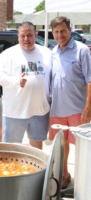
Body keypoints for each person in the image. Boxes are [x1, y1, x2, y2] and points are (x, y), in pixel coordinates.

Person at [0, 21, 51, 149]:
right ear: (18, 37)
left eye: (29, 35)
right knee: (11, 148)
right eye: (22, 36)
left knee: (36, 146)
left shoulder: (47, 53)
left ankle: (35, 170)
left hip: (40, 110)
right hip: (15, 111)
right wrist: (16, 81)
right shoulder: (8, 54)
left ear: (35, 35)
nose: (26, 39)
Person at [49, 16, 91, 189]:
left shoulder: (82, 50)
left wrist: (88, 107)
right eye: (56, 32)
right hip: (57, 109)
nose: (60, 35)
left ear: (70, 30)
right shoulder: (53, 52)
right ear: (52, 33)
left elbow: (90, 80)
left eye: (63, 31)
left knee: (83, 148)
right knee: (61, 147)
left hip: (77, 109)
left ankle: (84, 181)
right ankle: (65, 175)